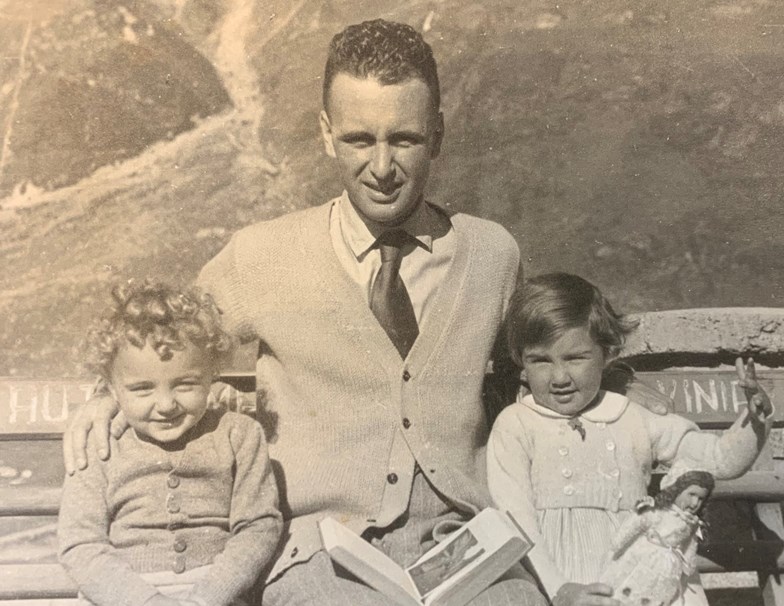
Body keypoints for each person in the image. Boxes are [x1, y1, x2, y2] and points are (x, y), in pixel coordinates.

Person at [63, 20, 666, 606]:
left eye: (403, 139)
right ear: (326, 133)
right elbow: (163, 342)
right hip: (318, 556)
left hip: (467, 549)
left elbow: (537, 360)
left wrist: (620, 388)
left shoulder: (491, 254)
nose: (381, 168)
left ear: (437, 135)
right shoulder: (262, 256)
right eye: (358, 140)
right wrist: (104, 400)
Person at [486, 272, 773, 606]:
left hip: (639, 576)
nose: (559, 377)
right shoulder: (516, 425)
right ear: (521, 361)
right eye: (541, 361)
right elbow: (515, 518)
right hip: (561, 580)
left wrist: (754, 419)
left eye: (575, 358)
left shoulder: (631, 416)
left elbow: (719, 460)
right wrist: (558, 588)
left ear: (607, 354)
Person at [58, 280, 282, 606]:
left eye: (185, 384)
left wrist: (205, 599)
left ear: (212, 374)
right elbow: (80, 545)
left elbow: (258, 527)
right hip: (120, 595)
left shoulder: (239, 434)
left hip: (217, 594)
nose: (165, 405)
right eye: (142, 389)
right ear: (112, 388)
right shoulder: (100, 444)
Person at [600, 461, 715, 606]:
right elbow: (635, 524)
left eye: (700, 498)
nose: (694, 503)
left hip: (667, 570)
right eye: (691, 494)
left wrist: (688, 568)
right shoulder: (657, 512)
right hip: (642, 559)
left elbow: (689, 550)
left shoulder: (691, 524)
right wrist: (617, 546)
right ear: (677, 489)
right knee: (627, 592)